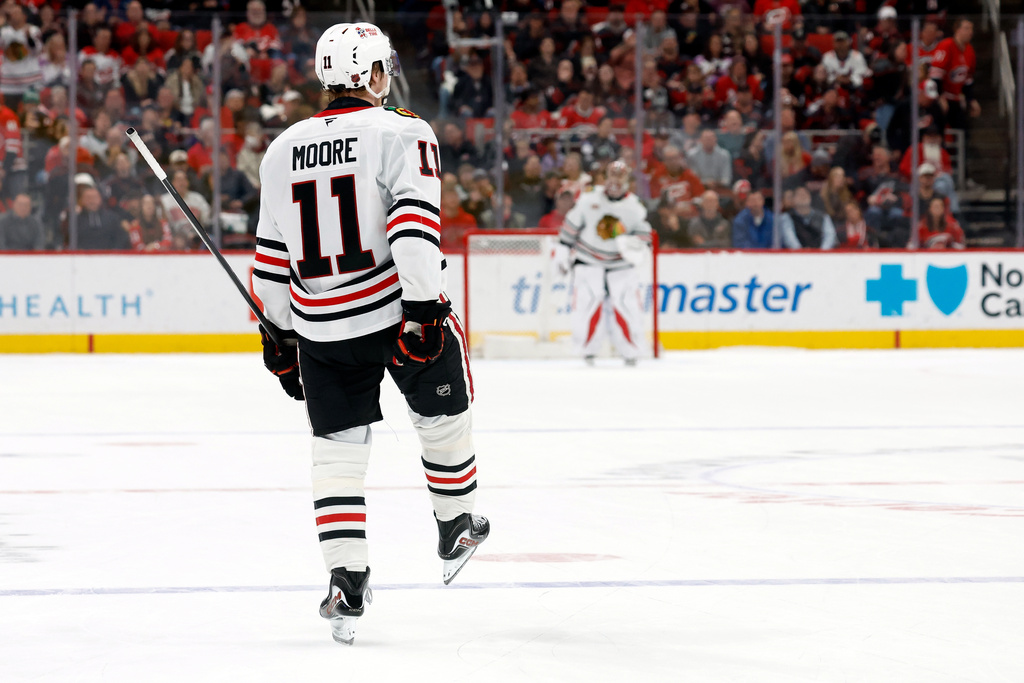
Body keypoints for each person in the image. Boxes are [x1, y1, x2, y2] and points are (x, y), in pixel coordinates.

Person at [251, 22, 489, 646]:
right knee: (443, 413)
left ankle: (345, 581)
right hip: (391, 308)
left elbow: (271, 264)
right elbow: (413, 229)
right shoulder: (403, 130)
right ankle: (455, 521)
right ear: (375, 75)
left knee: (336, 454)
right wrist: (423, 313)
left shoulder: (281, 149)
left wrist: (277, 340)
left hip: (320, 327)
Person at [554, 160, 651, 366]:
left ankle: (631, 350)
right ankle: (586, 350)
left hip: (620, 264)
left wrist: (633, 245)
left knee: (626, 305)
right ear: (606, 177)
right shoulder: (589, 199)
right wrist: (562, 251)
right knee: (588, 303)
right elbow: (571, 226)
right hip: (588, 259)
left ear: (627, 180)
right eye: (612, 175)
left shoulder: (634, 207)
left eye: (620, 176)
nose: (615, 181)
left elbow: (644, 238)